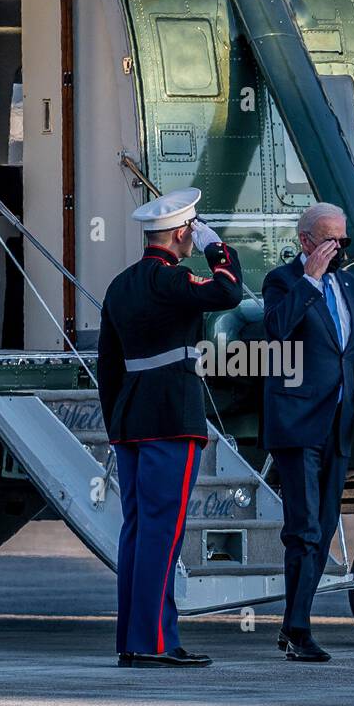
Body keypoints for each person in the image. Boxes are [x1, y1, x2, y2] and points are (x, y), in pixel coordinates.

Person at [97, 188, 244, 668]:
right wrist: (217, 249)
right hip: (170, 419)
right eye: (192, 231)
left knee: (138, 531)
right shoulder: (171, 280)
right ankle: (155, 642)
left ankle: (135, 639)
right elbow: (228, 292)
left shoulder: (120, 285)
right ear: (183, 233)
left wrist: (117, 421)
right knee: (163, 531)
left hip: (131, 420)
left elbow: (108, 367)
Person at [262, 203, 354, 662]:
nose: (338, 249)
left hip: (338, 423)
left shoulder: (351, 285)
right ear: (307, 242)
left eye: (343, 241)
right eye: (329, 240)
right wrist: (310, 281)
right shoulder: (283, 281)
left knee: (326, 526)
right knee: (305, 529)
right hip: (296, 424)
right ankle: (298, 630)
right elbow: (275, 330)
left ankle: (292, 623)